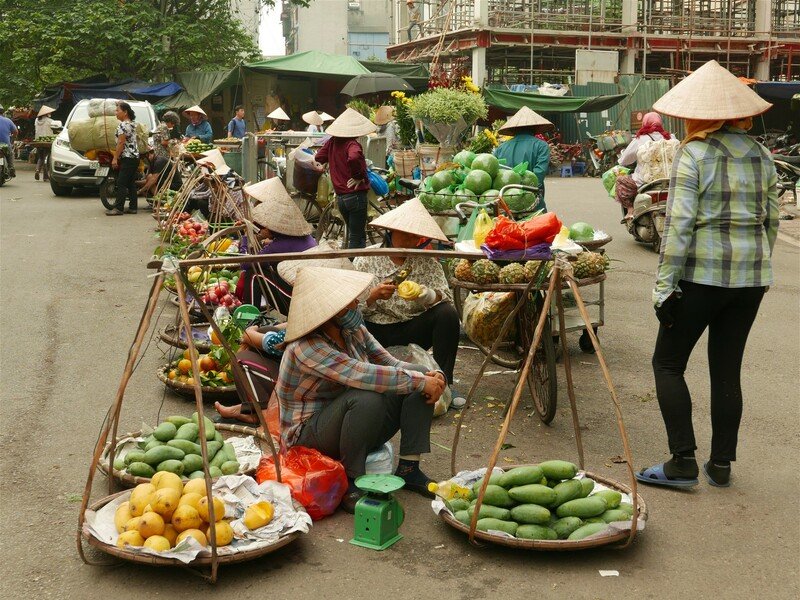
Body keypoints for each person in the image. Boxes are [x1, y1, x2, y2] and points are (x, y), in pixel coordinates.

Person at [636, 60, 778, 489]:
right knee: (726, 369)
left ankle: (682, 462)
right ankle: (721, 465)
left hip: (701, 278)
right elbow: (771, 222)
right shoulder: (763, 154)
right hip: (751, 280)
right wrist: (753, 264)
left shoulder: (693, 153)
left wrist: (663, 288)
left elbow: (678, 227)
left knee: (667, 363)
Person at [275, 266, 445, 512]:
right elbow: (361, 374)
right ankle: (353, 481)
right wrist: (420, 381)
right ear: (333, 310)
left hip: (350, 423)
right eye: (351, 301)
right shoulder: (306, 347)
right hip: (308, 435)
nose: (357, 303)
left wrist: (432, 374)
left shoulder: (352, 329)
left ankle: (409, 469)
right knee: (367, 395)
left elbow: (391, 363)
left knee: (416, 372)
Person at [214, 250, 353, 426]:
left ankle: (260, 412)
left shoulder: (317, 323)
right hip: (322, 382)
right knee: (266, 330)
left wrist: (250, 335)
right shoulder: (336, 312)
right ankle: (249, 406)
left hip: (309, 396)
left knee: (241, 359)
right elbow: (287, 327)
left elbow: (273, 342)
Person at [353, 198, 465, 409]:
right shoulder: (366, 259)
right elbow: (349, 307)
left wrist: (426, 295)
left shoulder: (426, 261)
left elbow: (445, 298)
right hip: (376, 331)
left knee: (448, 315)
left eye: (415, 236)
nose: (411, 241)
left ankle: (445, 384)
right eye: (405, 234)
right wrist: (373, 296)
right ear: (390, 232)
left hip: (412, 327)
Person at [235, 177, 318, 313]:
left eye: (262, 226)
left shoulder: (280, 246)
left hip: (299, 302)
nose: (260, 229)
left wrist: (245, 237)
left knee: (254, 273)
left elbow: (244, 264)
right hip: (308, 292)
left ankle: (250, 319)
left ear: (272, 228)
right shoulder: (302, 236)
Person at [315, 108, 377, 249]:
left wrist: (331, 160)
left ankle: (356, 264)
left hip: (342, 199)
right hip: (355, 196)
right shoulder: (352, 144)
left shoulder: (332, 142)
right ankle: (353, 266)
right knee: (356, 238)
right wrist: (358, 176)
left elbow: (319, 157)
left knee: (357, 235)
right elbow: (354, 157)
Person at [615, 112, 673, 216]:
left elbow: (624, 161)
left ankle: (630, 209)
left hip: (644, 182)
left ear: (645, 123)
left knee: (620, 180)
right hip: (669, 181)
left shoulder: (640, 139)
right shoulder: (671, 138)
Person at [494, 106, 553, 208]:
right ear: (535, 127)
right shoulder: (541, 145)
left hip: (505, 199)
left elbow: (495, 173)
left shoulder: (501, 148)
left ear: (513, 129)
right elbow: (538, 175)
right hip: (532, 200)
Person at [107, 101, 139, 216]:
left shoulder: (122, 125)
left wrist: (115, 158)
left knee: (121, 182)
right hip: (134, 157)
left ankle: (119, 208)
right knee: (130, 183)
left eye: (117, 110)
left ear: (125, 112)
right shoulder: (132, 124)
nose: (116, 113)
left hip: (128, 157)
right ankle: (133, 207)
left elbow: (121, 142)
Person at [34, 105, 57, 181]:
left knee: (41, 157)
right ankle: (45, 176)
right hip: (47, 141)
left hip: (38, 141)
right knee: (46, 158)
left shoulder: (36, 120)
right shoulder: (50, 121)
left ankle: (37, 170)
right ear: (46, 113)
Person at [0, 104, 18, 178]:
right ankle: (11, 168)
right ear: (2, 112)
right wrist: (12, 140)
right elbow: (16, 132)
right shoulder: (8, 120)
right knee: (10, 154)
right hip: (5, 144)